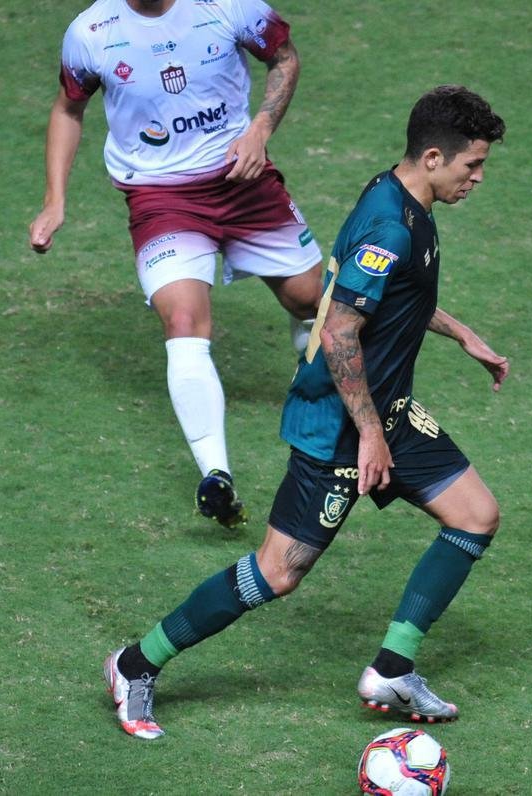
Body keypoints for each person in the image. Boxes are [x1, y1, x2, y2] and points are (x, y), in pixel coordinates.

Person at [102, 85, 508, 739]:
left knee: (475, 515)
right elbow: (342, 330)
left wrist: (461, 334)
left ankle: (392, 669)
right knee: (277, 571)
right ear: (434, 157)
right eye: (473, 164)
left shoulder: (403, 197)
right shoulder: (389, 226)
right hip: (338, 425)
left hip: (386, 413)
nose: (478, 178)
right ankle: (135, 664)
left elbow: (386, 297)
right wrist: (369, 435)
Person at [28, 0, 323, 529]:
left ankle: (320, 387)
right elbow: (68, 110)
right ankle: (216, 475)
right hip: (160, 198)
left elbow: (284, 58)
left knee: (310, 300)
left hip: (242, 180)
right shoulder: (91, 32)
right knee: (183, 319)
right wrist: (55, 200)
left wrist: (260, 128)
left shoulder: (228, 6)